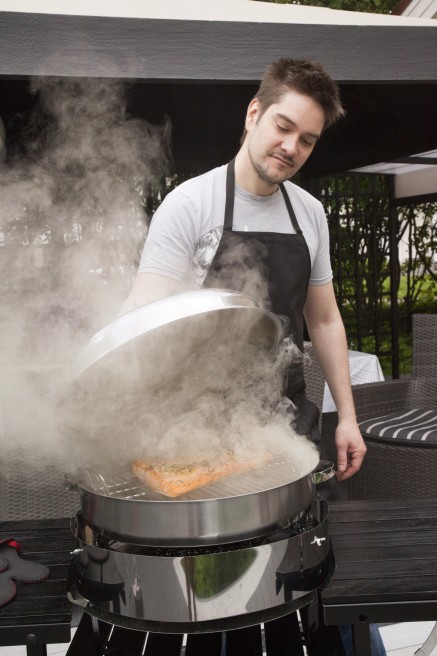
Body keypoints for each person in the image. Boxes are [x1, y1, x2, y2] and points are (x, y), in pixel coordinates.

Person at [123, 57, 385, 655]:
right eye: (283, 127)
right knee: (204, 604)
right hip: (191, 437)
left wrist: (347, 415)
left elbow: (323, 320)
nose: (291, 147)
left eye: (308, 140)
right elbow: (144, 315)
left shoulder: (310, 215)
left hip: (279, 430)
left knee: (292, 591)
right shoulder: (190, 207)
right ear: (254, 114)